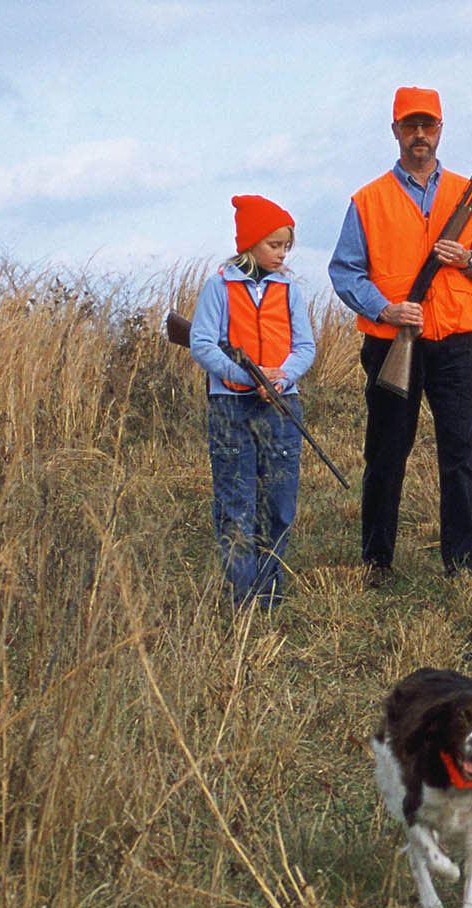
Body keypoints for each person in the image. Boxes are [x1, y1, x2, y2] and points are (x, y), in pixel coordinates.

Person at [329, 86, 472, 584]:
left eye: (427, 126)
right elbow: (345, 271)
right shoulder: (368, 200)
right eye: (410, 126)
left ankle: (461, 565)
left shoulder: (469, 195)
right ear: (395, 132)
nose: (419, 136)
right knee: (386, 453)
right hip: (393, 342)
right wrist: (386, 310)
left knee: (460, 454)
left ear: (440, 131)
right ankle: (376, 562)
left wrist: (469, 260)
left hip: (456, 342)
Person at [188, 194, 316, 610]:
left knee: (279, 504)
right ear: (250, 243)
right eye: (273, 245)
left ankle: (271, 595)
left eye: (286, 246)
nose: (281, 254)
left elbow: (305, 347)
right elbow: (203, 344)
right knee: (236, 503)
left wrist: (282, 377)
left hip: (281, 406)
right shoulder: (218, 286)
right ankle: (241, 600)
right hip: (231, 408)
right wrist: (247, 377)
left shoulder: (288, 289)